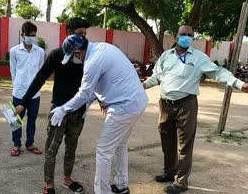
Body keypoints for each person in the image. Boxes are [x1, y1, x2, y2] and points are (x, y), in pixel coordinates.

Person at [143, 25, 248, 194]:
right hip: (166, 104)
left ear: (192, 38)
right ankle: (169, 172)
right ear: (176, 37)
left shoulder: (199, 58)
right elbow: (156, 77)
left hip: (186, 105)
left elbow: (218, 72)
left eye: (190, 35)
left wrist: (239, 84)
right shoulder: (166, 57)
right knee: (167, 141)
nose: (186, 37)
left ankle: (181, 182)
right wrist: (142, 85)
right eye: (183, 34)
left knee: (184, 145)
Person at [48, 35, 148, 194]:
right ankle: (122, 185)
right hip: (135, 102)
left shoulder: (93, 62)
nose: (75, 59)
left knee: (103, 150)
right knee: (119, 146)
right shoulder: (102, 48)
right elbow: (98, 87)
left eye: (73, 56)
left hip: (124, 107)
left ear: (78, 53)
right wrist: (88, 104)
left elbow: (84, 94)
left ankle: (102, 191)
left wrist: (63, 109)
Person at [14, 17, 90, 194]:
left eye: (85, 34)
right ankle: (49, 184)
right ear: (69, 33)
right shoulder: (56, 55)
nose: (84, 38)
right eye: (80, 33)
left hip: (78, 111)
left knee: (72, 146)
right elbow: (39, 79)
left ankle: (67, 179)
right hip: (59, 111)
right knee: (51, 148)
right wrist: (23, 103)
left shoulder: (86, 55)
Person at [9, 21, 45, 156]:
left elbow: (41, 72)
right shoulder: (14, 51)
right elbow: (13, 70)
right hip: (19, 92)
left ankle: (30, 143)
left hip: (35, 94)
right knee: (16, 120)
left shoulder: (40, 52)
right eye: (29, 35)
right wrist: (17, 85)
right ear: (22, 34)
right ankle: (16, 144)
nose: (32, 37)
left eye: (34, 35)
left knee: (32, 119)